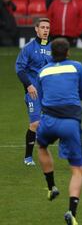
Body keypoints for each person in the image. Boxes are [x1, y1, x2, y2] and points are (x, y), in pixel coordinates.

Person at [36, 38, 82, 225]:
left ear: (51, 54)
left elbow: (41, 99)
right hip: (70, 123)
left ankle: (51, 187)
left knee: (41, 147)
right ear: (68, 53)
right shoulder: (77, 66)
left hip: (48, 121)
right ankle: (72, 213)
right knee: (77, 171)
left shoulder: (42, 71)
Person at [15, 18, 52, 166]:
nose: (45, 30)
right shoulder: (29, 48)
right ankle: (28, 157)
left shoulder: (53, 47)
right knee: (35, 123)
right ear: (36, 29)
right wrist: (29, 85)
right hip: (34, 92)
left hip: (49, 91)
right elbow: (19, 69)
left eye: (47, 28)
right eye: (42, 27)